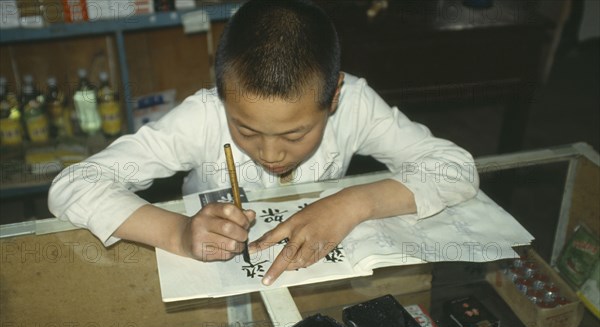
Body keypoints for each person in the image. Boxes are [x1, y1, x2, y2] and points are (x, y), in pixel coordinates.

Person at [48, 0, 479, 286]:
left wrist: (353, 203)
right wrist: (178, 232)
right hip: (217, 285)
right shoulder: (203, 116)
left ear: (333, 97)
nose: (271, 153)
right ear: (222, 96)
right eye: (247, 131)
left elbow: (455, 168)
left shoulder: (357, 106)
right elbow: (75, 184)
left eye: (295, 134)